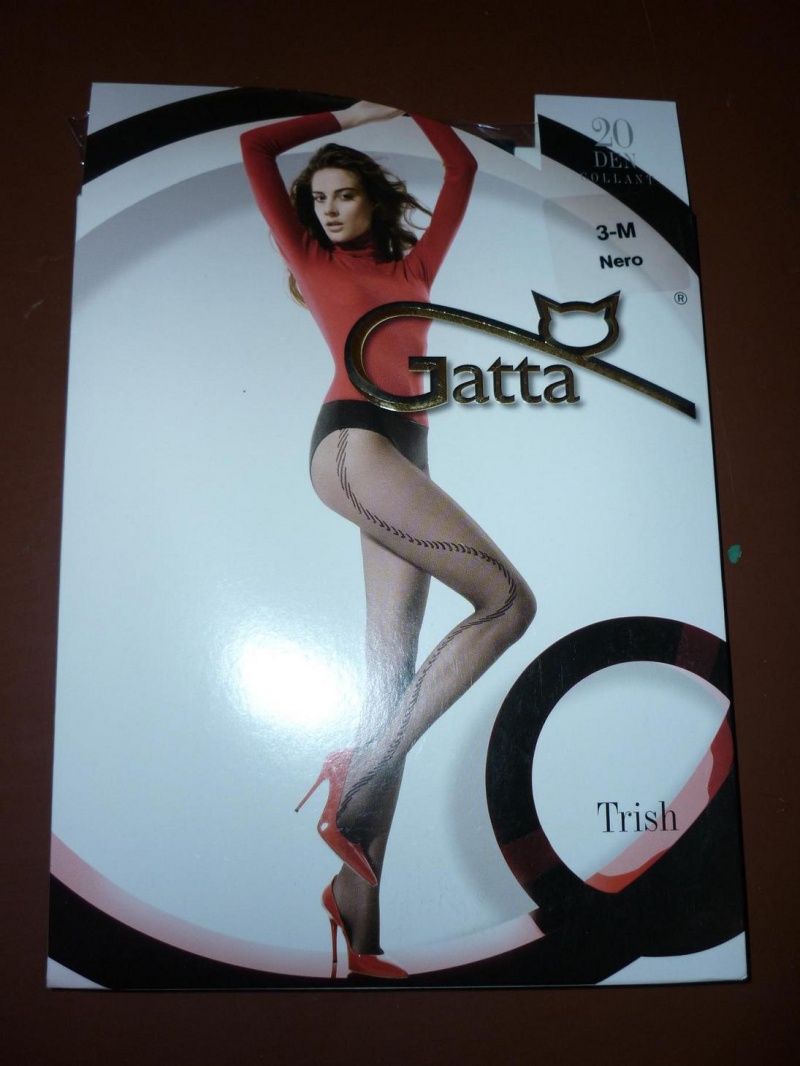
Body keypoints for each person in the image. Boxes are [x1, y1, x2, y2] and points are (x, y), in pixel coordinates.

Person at [241, 101, 535, 979]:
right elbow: (255, 145)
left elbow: (463, 170)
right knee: (508, 602)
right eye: (319, 198)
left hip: (405, 453)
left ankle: (361, 925)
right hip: (352, 443)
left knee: (391, 680)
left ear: (371, 199)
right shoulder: (310, 259)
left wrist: (416, 104)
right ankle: (359, 770)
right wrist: (353, 110)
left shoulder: (415, 265)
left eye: (344, 194)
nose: (329, 209)